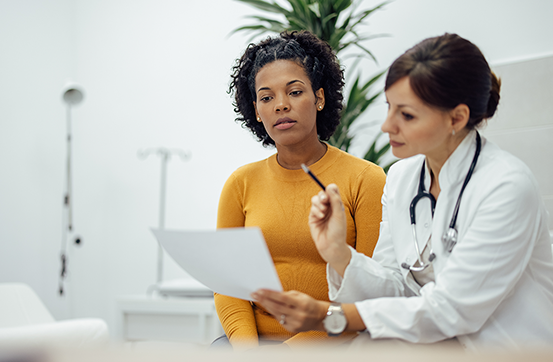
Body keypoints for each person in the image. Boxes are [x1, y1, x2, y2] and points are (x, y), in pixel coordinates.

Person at [251, 33, 553, 351]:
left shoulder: (506, 186)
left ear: (457, 117)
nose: (387, 125)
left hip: (508, 351)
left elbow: (451, 310)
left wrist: (331, 316)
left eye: (406, 115)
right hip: (434, 346)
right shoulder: (403, 178)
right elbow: (396, 287)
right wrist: (338, 254)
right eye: (389, 108)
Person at [214, 31, 386, 351]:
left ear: (319, 97)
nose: (281, 105)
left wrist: (289, 353)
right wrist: (249, 352)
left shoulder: (366, 179)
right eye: (266, 97)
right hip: (250, 345)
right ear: (255, 110)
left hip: (333, 341)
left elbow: (369, 291)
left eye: (294, 92)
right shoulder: (240, 184)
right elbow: (229, 287)